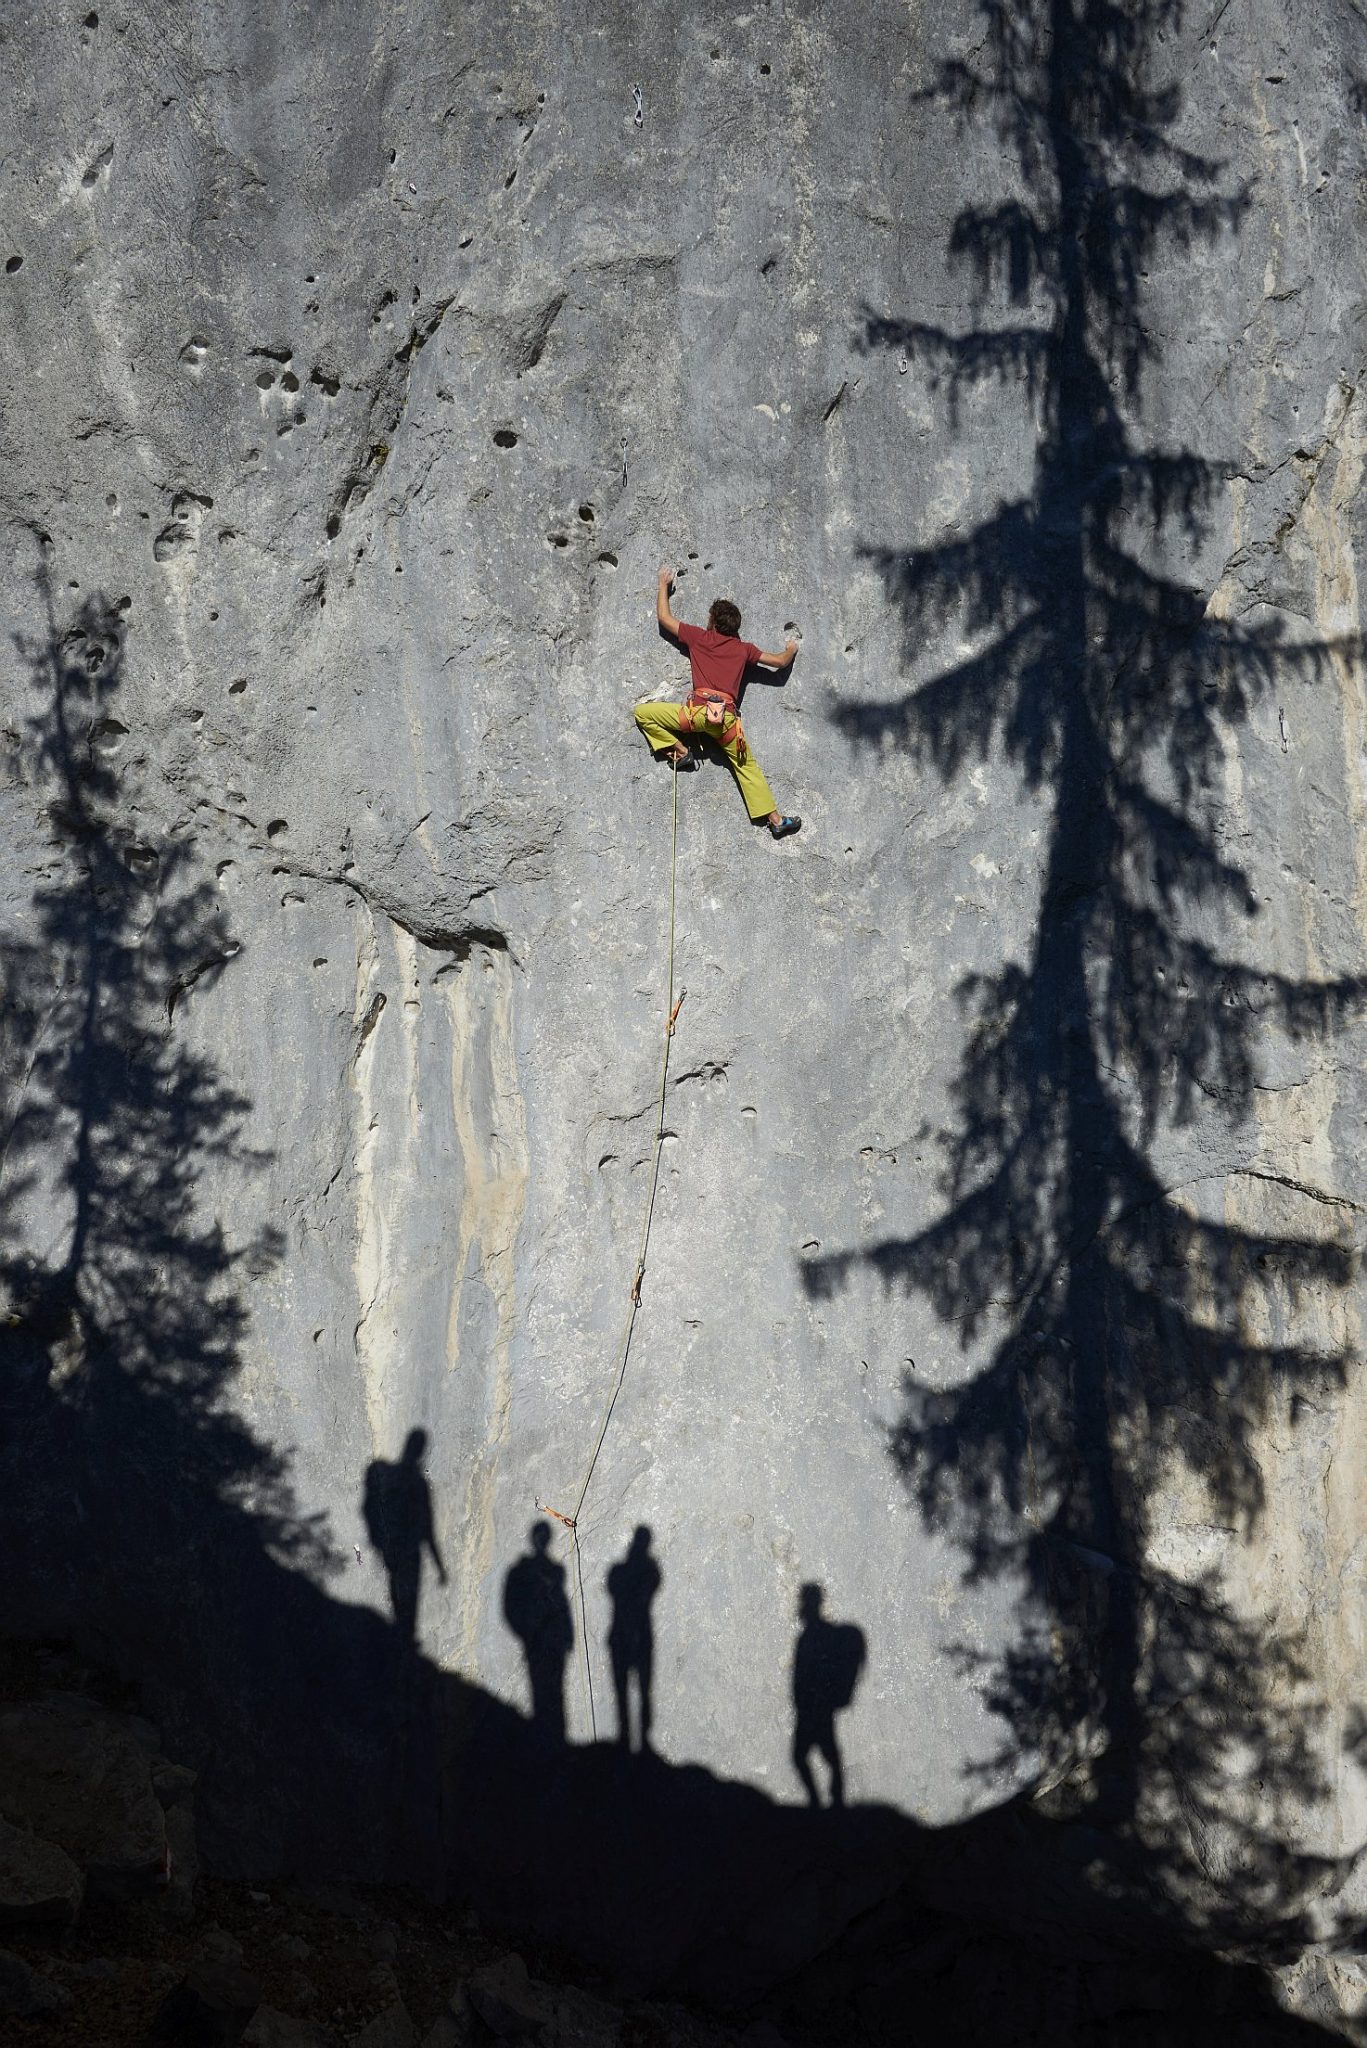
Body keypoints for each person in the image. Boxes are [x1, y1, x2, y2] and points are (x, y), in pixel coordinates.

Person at [634, 568, 802, 838]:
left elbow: (664, 618)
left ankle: (680, 753)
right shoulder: (743, 649)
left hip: (696, 715)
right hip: (726, 723)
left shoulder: (700, 637)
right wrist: (791, 648)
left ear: (712, 621)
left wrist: (663, 584)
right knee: (747, 766)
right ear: (735, 627)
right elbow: (779, 663)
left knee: (643, 713)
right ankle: (776, 819)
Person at [361, 1427, 448, 1642]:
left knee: (397, 1589)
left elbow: (378, 1509)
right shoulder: (418, 1483)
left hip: (394, 1544)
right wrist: (438, 1565)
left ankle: (399, 1634)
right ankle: (404, 1637)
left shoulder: (393, 1476)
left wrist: (382, 1544)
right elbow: (428, 1526)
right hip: (408, 1547)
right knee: (408, 1597)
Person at [791, 1581, 866, 1808]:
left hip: (815, 1707)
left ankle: (822, 1802)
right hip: (813, 1706)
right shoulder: (813, 1635)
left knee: (808, 1755)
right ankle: (831, 1801)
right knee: (825, 1755)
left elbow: (812, 1672)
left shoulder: (816, 1635)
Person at [502, 1520, 574, 1743]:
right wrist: (526, 1633)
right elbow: (511, 1607)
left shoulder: (555, 1571)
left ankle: (554, 1741)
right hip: (538, 1638)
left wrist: (567, 1637)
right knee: (542, 1690)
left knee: (554, 1691)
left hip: (553, 1641)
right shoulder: (524, 1573)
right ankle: (546, 1741)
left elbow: (563, 1606)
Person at [606, 1525, 662, 1753]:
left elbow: (613, 1588)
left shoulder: (618, 1570)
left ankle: (626, 1737)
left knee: (628, 1686)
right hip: (638, 1631)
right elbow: (654, 1584)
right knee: (641, 1685)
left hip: (622, 1631)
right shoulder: (650, 1569)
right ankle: (640, 1739)